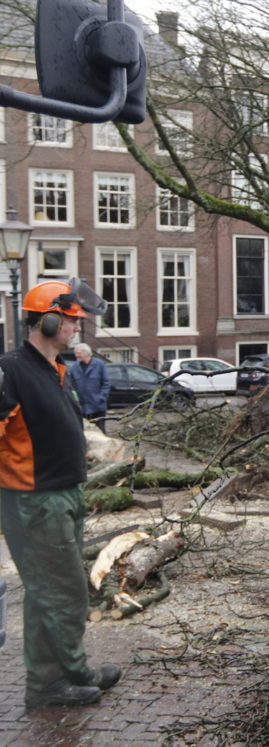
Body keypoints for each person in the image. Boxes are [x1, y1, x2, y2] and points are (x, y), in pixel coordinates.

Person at [0, 279, 122, 709]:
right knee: (66, 591)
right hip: (34, 501)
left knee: (43, 594)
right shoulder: (11, 370)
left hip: (62, 494)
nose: (76, 329)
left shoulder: (55, 370)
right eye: (71, 321)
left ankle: (48, 682)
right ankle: (70, 676)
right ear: (49, 320)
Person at [69, 343, 110, 433]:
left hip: (97, 406)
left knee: (100, 431)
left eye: (78, 353)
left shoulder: (99, 365)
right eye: (75, 353)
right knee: (85, 432)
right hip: (82, 407)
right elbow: (71, 385)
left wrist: (101, 398)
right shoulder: (74, 368)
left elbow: (106, 383)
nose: (76, 355)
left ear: (86, 353)